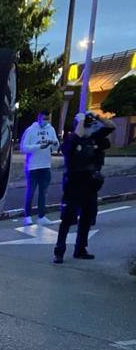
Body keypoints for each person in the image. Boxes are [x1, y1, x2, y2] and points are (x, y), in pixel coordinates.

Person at [53, 112, 116, 263]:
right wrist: (80, 123)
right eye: (86, 126)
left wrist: (97, 117)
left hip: (91, 185)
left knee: (87, 218)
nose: (90, 128)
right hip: (74, 185)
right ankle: (59, 251)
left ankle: (80, 249)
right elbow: (69, 145)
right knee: (68, 219)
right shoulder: (72, 140)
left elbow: (111, 126)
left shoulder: (96, 139)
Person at [20, 111, 59, 226]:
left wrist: (54, 143)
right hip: (32, 166)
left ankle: (41, 216)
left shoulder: (51, 129)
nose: (46, 121)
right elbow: (24, 148)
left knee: (43, 192)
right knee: (31, 191)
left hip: (45, 165)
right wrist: (39, 146)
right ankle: (27, 216)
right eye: (44, 118)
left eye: (48, 118)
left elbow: (55, 147)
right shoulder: (30, 130)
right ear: (39, 118)